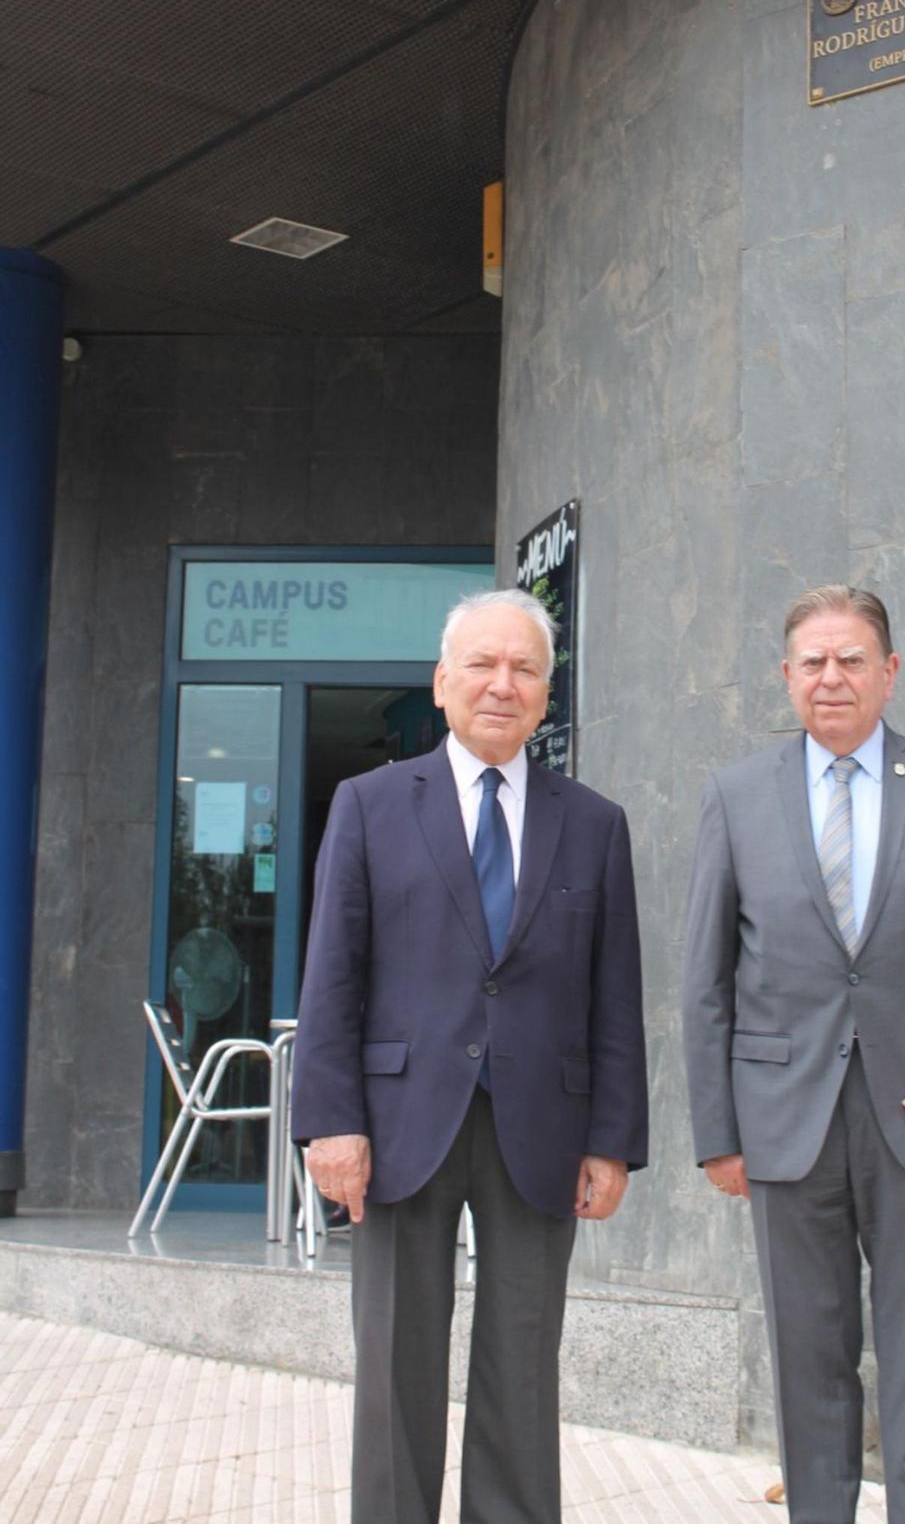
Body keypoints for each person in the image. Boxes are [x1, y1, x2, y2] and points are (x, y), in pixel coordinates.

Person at [682, 585, 905, 1524]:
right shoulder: (737, 796)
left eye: (851, 660)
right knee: (808, 1359)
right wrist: (719, 1134)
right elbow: (706, 981)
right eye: (813, 662)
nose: (831, 678)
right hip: (783, 1122)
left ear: (890, 672)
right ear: (786, 677)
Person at [291, 588, 648, 1524]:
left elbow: (615, 994)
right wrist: (330, 1122)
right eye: (482, 665)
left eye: (524, 668)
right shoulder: (369, 805)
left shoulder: (595, 822)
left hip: (543, 1129)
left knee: (524, 1367)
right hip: (399, 1124)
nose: (502, 684)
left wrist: (612, 1141)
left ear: (546, 694)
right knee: (395, 1362)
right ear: (442, 682)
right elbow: (332, 973)